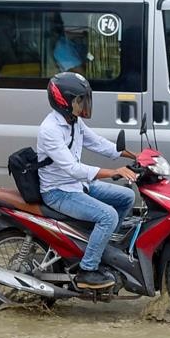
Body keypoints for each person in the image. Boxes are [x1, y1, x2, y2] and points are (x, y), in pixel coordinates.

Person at [34, 72, 137, 292]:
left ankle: (98, 247)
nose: (83, 104)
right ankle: (87, 270)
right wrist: (112, 172)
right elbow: (73, 168)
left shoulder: (73, 121)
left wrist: (135, 156)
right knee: (107, 215)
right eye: (79, 100)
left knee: (127, 197)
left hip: (78, 187)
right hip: (59, 192)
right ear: (64, 101)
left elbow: (98, 143)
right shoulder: (50, 130)